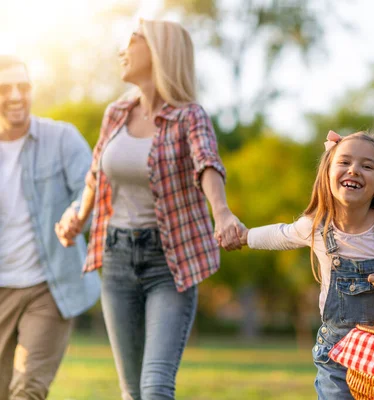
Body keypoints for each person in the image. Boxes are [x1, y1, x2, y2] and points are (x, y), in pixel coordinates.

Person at [54, 19, 243, 400]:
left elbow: (206, 162)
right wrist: (78, 215)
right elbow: (96, 173)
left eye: (132, 42)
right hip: (117, 257)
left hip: (170, 263)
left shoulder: (190, 116)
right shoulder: (116, 113)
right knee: (131, 392)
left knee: (155, 387)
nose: (122, 51)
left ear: (158, 50)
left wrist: (221, 213)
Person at [229, 130, 374, 399]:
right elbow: (281, 234)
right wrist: (244, 236)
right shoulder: (317, 226)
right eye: (344, 162)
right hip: (336, 355)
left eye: (366, 166)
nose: (354, 170)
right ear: (328, 174)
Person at [0, 55, 101, 399]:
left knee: (28, 388)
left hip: (49, 284)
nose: (16, 96)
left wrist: (75, 215)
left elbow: (92, 188)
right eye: (5, 88)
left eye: (23, 87)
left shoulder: (61, 138)